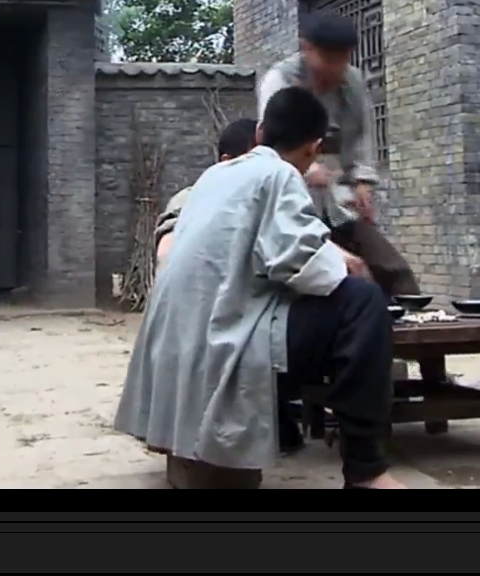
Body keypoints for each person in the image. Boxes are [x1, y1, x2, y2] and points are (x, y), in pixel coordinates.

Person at [114, 86, 408, 490]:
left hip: (179, 354)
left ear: (260, 132)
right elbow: (302, 265)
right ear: (313, 148)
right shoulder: (279, 174)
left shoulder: (212, 177)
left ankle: (299, 431)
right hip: (221, 349)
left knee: (316, 304)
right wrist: (350, 267)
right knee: (363, 303)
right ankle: (366, 471)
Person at [258, 12, 421, 298]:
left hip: (339, 202)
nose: (336, 68)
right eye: (329, 58)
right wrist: (307, 169)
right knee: (337, 279)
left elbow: (363, 135)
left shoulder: (352, 80)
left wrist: (363, 182)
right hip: (296, 204)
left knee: (393, 270)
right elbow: (274, 145)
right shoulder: (280, 80)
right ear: (307, 49)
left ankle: (412, 321)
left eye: (343, 59)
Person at [153, 118, 264, 274]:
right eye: (257, 163)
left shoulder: (267, 202)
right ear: (227, 161)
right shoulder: (189, 199)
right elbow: (166, 255)